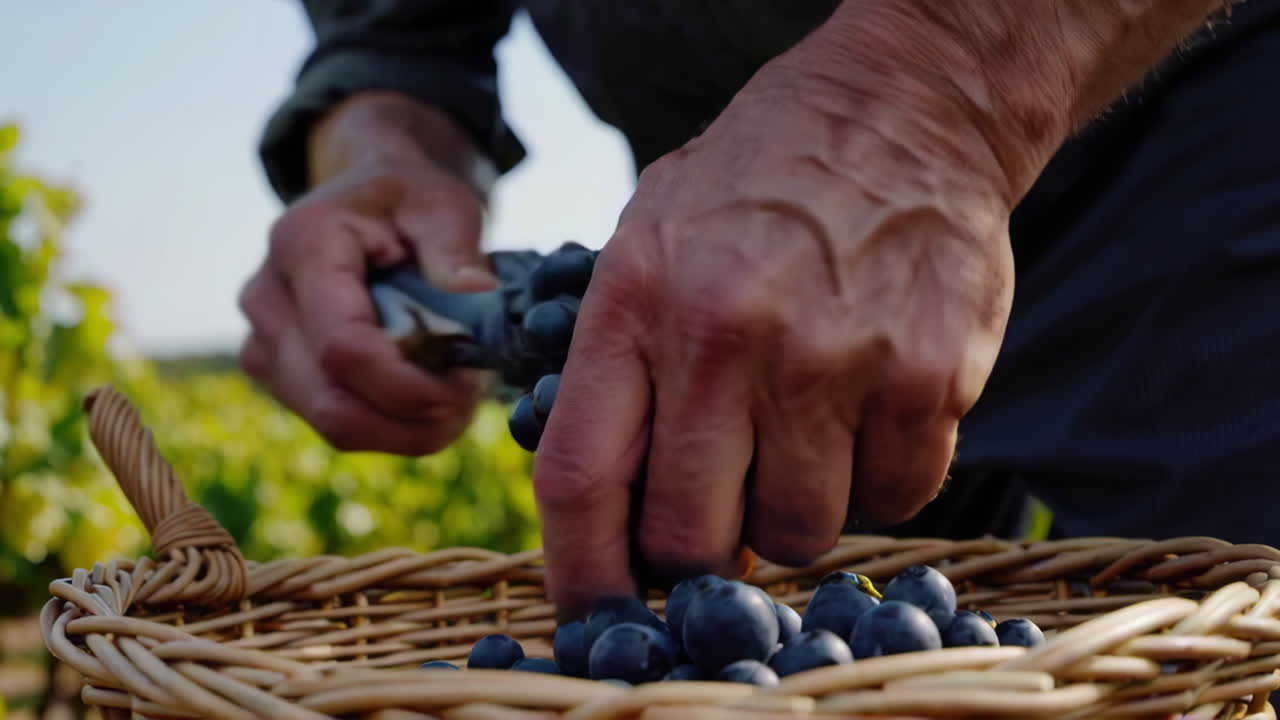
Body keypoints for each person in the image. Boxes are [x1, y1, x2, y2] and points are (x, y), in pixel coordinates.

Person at [241, 0, 1280, 619]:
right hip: (757, 290)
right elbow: (402, 39)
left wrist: (941, 82)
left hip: (1192, 152)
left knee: (1233, 641)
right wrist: (382, 149)